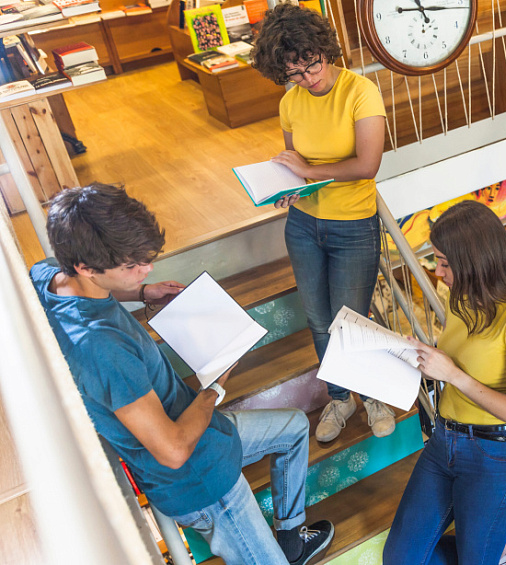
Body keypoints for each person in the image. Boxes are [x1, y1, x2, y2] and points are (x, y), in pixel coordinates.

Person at [31, 183, 333, 565]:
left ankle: (290, 539)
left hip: (207, 434)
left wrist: (142, 292)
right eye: (132, 267)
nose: (147, 269)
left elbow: (90, 290)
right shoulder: (101, 349)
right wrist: (215, 387)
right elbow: (173, 451)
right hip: (201, 481)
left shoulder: (46, 276)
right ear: (86, 267)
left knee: (294, 428)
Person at [252, 3, 395, 443]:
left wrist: (308, 172)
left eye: (311, 64)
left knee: (350, 319)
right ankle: (341, 397)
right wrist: (288, 186)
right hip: (303, 225)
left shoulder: (360, 92)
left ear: (324, 49)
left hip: (352, 225)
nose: (308, 77)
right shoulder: (290, 102)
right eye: (294, 73)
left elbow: (367, 165)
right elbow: (295, 165)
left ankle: (373, 396)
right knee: (319, 322)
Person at [383, 201, 506, 565]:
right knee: (399, 558)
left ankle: (491, 552)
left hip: (497, 456)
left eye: (445, 262)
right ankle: (492, 551)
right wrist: (424, 360)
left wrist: (453, 375)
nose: (438, 271)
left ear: (474, 260)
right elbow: (456, 361)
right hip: (445, 442)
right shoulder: (461, 300)